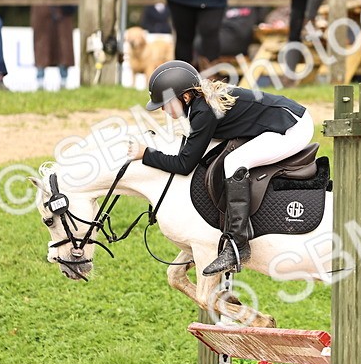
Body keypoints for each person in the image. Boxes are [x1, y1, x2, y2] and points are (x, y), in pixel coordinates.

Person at [126, 61, 314, 275]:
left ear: (185, 97)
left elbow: (184, 164)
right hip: (285, 118)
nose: (162, 109)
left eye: (166, 103)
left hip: (292, 128)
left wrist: (146, 154)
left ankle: (237, 245)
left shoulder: (204, 111)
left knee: (234, 163)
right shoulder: (199, 104)